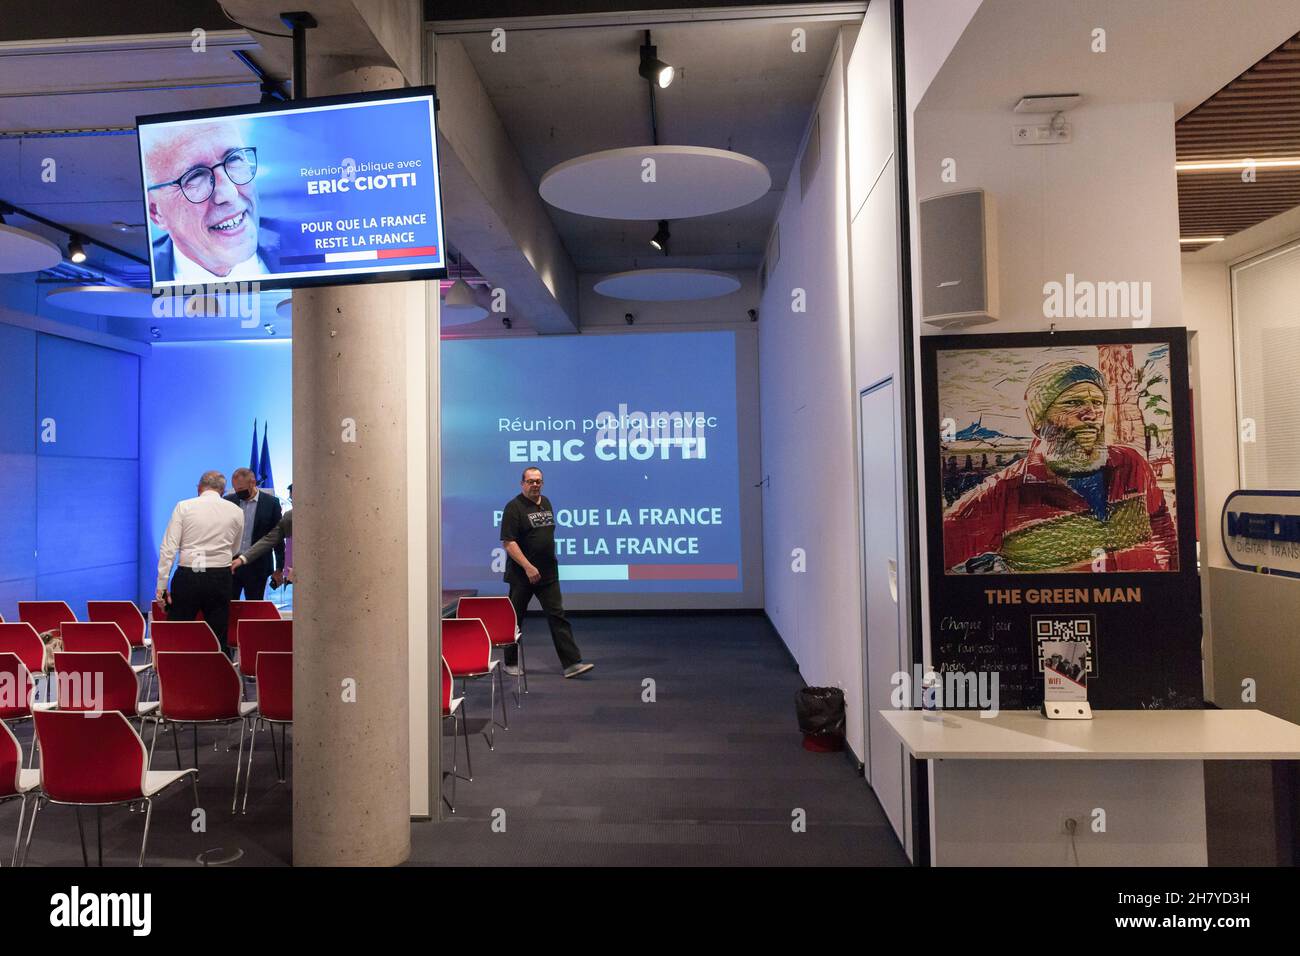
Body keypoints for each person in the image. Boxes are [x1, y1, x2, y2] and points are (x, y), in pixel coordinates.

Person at [943, 360, 1177, 574]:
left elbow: (1162, 531)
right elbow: (935, 551)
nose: (1091, 413)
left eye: (1097, 402)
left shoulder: (1131, 464)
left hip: (1139, 613)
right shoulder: (1006, 490)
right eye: (1073, 403)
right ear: (1039, 419)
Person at [142, 120, 280, 281]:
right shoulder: (144, 280)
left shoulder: (308, 241)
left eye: (233, 159)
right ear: (156, 212)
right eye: (195, 177)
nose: (229, 193)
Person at [499, 467, 593, 679]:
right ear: (522, 483)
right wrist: (528, 566)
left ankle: (571, 664)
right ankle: (511, 662)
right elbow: (509, 542)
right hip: (522, 575)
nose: (535, 485)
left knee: (557, 616)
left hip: (548, 574)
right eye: (531, 481)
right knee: (514, 619)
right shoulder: (513, 508)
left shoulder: (546, 502)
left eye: (538, 481)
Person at [157, 470, 245, 656]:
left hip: (189, 575)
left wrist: (162, 587)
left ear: (199, 488)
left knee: (178, 633)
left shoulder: (183, 506)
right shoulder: (237, 511)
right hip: (220, 576)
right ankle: (219, 682)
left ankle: (176, 680)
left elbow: (169, 548)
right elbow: (235, 548)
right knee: (218, 635)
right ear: (222, 490)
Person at [225, 467, 284, 600]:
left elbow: (277, 537)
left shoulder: (271, 503)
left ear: (252, 482)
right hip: (231, 565)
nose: (238, 492)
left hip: (258, 566)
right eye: (235, 489)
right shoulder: (228, 501)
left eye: (240, 489)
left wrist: (279, 568)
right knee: (228, 606)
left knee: (254, 607)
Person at [233, 483, 293, 584]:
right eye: (291, 500)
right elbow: (270, 539)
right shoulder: (289, 516)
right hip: (296, 574)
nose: (293, 503)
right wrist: (242, 559)